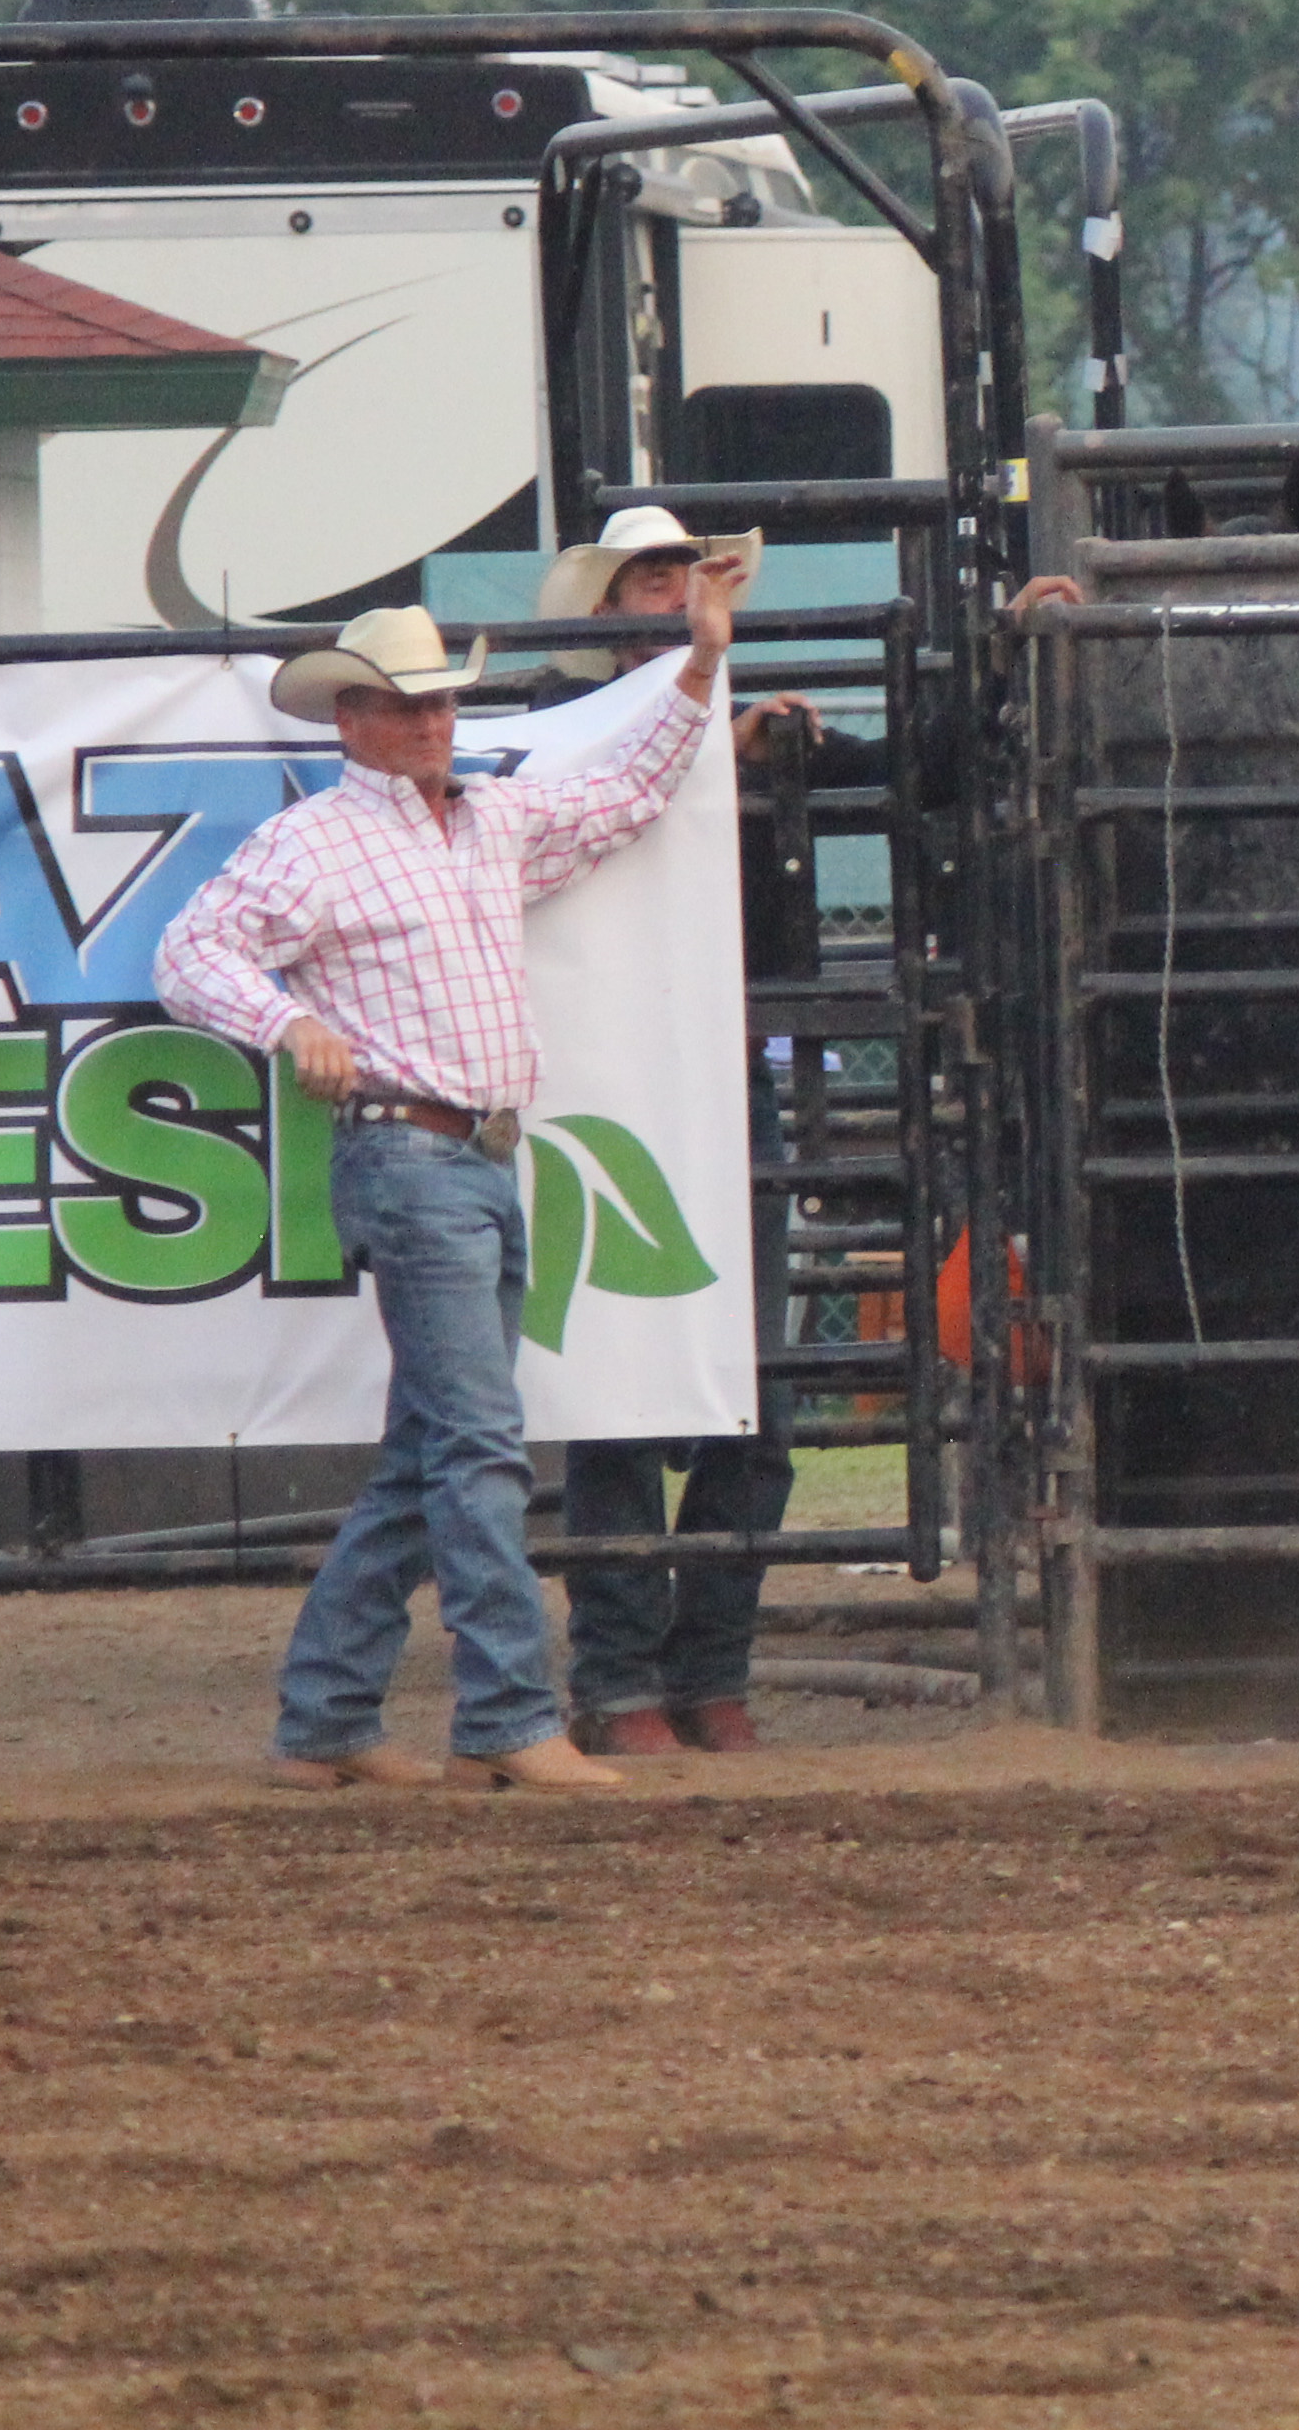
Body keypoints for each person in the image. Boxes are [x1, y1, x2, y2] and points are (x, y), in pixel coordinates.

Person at [158, 573, 744, 1792]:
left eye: (437, 704)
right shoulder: (316, 840)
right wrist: (280, 1023)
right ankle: (506, 1716)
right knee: (476, 1444)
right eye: (404, 706)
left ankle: (324, 1722)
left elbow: (630, 792)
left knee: (435, 1451)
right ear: (350, 721)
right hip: (421, 1158)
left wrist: (698, 663)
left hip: (463, 1158)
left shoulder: (483, 822)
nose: (430, 724)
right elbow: (192, 951)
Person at [533, 506, 810, 1757]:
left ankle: (694, 1669)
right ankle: (631, 1677)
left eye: (679, 575)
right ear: (608, 609)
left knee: (757, 1398)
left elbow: (914, 769)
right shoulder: (550, 726)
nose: (668, 593)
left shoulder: (744, 724)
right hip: (603, 1081)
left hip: (698, 1077)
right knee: (624, 1398)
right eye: (650, 576)